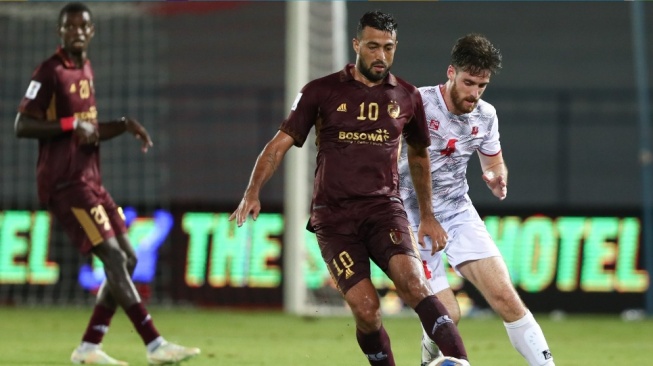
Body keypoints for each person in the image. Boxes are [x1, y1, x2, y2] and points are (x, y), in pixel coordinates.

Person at [230, 10, 470, 366]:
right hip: (334, 220)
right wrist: (252, 191)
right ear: (357, 45)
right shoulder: (321, 91)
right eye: (373, 47)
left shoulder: (407, 96)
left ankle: (460, 361)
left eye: (388, 48)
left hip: (383, 211)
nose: (381, 56)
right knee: (367, 310)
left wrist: (428, 215)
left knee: (414, 284)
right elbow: (278, 144)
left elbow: (419, 156)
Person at [14, 3, 200, 365]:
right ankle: (154, 344)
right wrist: (68, 126)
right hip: (65, 184)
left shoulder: (84, 68)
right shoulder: (49, 72)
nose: (77, 32)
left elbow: (89, 129)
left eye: (83, 27)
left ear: (92, 31)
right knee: (113, 257)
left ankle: (88, 347)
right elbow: (22, 125)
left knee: (128, 258)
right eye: (69, 27)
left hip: (90, 180)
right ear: (60, 32)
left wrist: (125, 124)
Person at [397, 33, 555, 366]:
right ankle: (429, 359)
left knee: (506, 298)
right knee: (448, 314)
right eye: (469, 83)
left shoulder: (486, 116)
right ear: (451, 72)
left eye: (482, 85)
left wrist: (498, 179)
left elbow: (494, 162)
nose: (474, 93)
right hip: (411, 217)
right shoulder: (417, 104)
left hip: (457, 212)